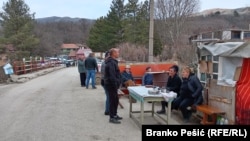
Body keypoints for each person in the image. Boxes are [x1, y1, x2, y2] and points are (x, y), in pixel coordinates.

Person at [104, 48, 122, 124]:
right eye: (117, 52)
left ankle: (114, 114)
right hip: (111, 85)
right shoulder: (111, 62)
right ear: (113, 53)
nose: (118, 54)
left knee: (115, 100)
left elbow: (117, 74)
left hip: (114, 85)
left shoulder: (114, 61)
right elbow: (112, 75)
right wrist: (115, 84)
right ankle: (112, 117)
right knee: (112, 101)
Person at [101, 51, 110, 115]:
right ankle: (107, 111)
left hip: (104, 81)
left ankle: (108, 110)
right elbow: (106, 74)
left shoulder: (105, 63)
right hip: (106, 82)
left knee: (108, 96)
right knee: (109, 96)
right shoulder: (105, 64)